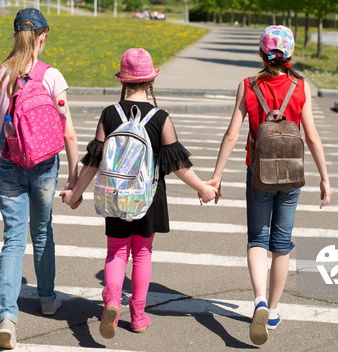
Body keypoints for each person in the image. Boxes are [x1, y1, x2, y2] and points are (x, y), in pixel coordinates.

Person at [60, 48, 219, 339]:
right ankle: (138, 315)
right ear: (149, 82)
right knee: (142, 254)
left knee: (116, 252)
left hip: (115, 195)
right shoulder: (161, 118)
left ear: (124, 80)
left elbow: (93, 163)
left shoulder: (110, 114)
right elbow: (178, 165)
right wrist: (204, 188)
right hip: (149, 197)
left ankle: (111, 302)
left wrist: (74, 194)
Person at [207, 25, 331, 346]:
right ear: (290, 55)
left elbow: (232, 135)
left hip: (258, 173)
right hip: (292, 175)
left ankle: (259, 299)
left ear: (261, 54)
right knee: (282, 243)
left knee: (257, 240)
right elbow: (313, 137)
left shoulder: (247, 86)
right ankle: (273, 311)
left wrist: (216, 176)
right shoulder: (301, 87)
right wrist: (325, 179)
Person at [0, 8, 79, 350]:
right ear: (42, 37)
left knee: (12, 240)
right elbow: (69, 133)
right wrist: (76, 176)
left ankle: (7, 318)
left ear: (15, 35)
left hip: (7, 163)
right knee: (42, 229)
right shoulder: (52, 77)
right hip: (45, 164)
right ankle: (48, 299)